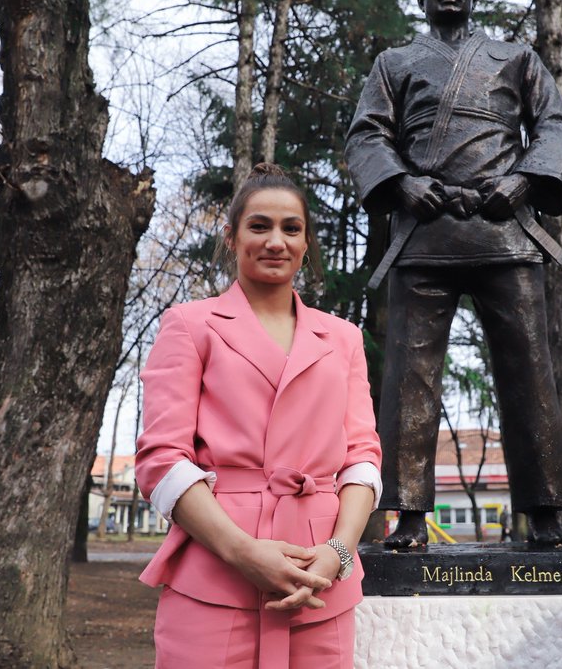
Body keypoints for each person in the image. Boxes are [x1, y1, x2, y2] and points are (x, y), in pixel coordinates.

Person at [345, 0, 562, 548]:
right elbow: (367, 134)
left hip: (504, 231)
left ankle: (548, 510)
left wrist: (523, 180)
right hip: (426, 234)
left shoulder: (515, 57)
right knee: (408, 379)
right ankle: (408, 515)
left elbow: (554, 124)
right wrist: (402, 183)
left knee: (529, 369)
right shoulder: (394, 63)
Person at [136, 164, 382, 669]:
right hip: (215, 571)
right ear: (231, 237)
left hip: (320, 582)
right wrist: (243, 553)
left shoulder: (343, 339)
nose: (276, 241)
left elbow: (361, 459)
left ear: (307, 241)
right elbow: (162, 459)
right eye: (259, 225)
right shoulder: (189, 326)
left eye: (291, 228)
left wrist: (337, 552)